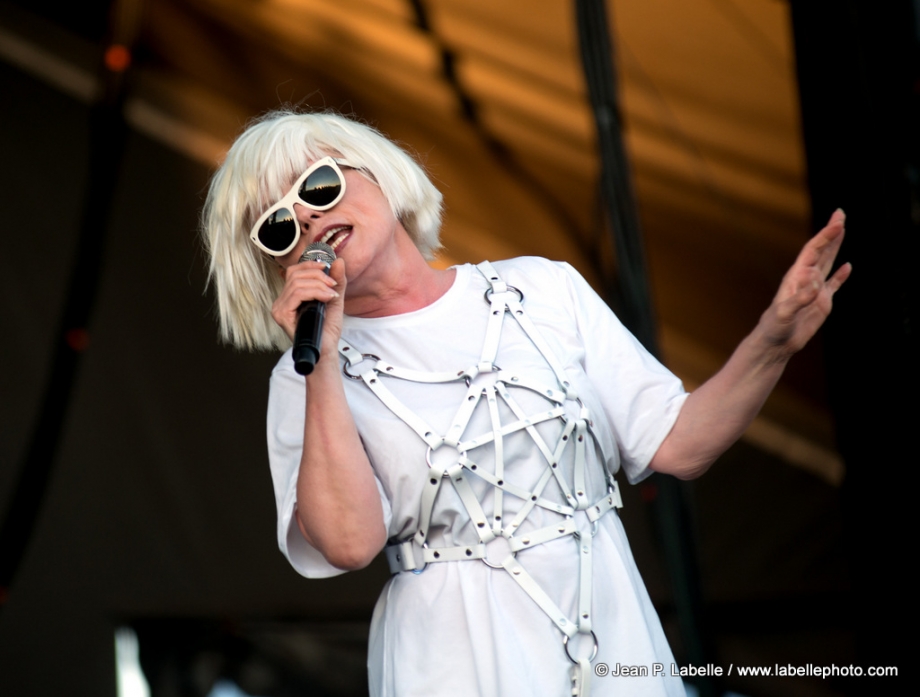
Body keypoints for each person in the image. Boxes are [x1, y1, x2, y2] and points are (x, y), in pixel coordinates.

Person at [201, 109, 850, 697]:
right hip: (453, 662)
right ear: (278, 264)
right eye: (278, 224)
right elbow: (349, 542)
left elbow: (679, 442)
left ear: (376, 173)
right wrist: (321, 362)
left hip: (609, 632)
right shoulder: (303, 377)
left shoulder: (543, 289)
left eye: (317, 186)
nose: (308, 216)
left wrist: (774, 339)